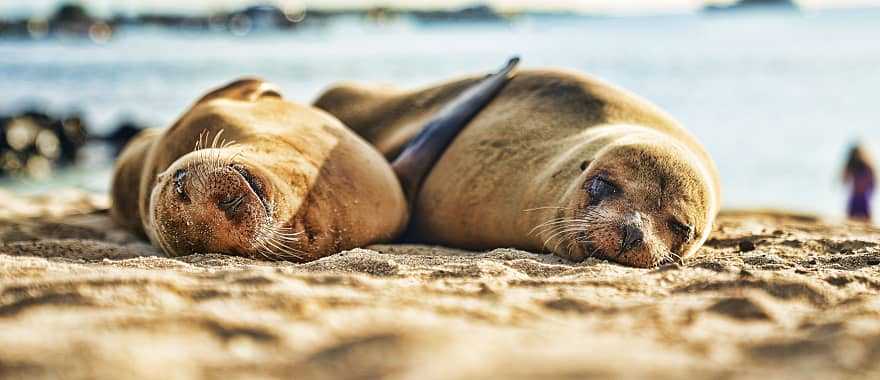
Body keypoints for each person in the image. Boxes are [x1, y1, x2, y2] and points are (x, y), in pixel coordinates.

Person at [843, 143, 876, 222]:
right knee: (856, 218)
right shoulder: (856, 164)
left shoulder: (866, 164)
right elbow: (873, 182)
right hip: (859, 196)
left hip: (859, 196)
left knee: (856, 218)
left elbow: (844, 179)